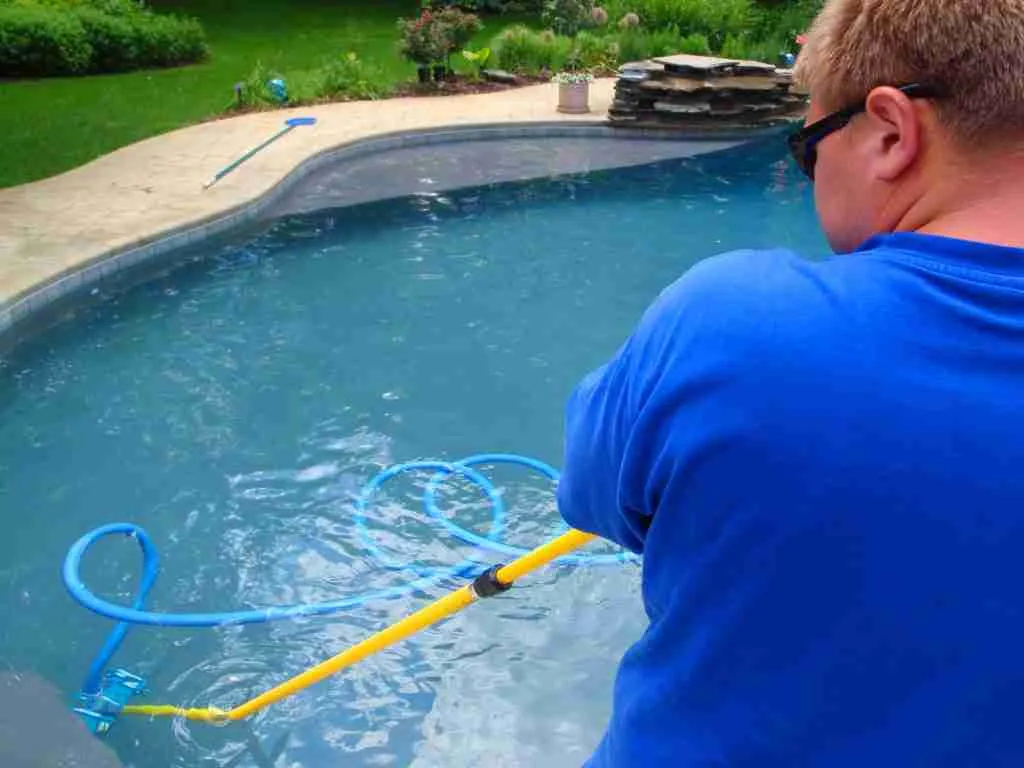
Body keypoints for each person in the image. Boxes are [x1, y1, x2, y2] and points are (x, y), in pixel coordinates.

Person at [556, 0, 1024, 765]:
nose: (809, 176)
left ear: (890, 132)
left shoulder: (731, 324)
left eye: (809, 147)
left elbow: (592, 496)